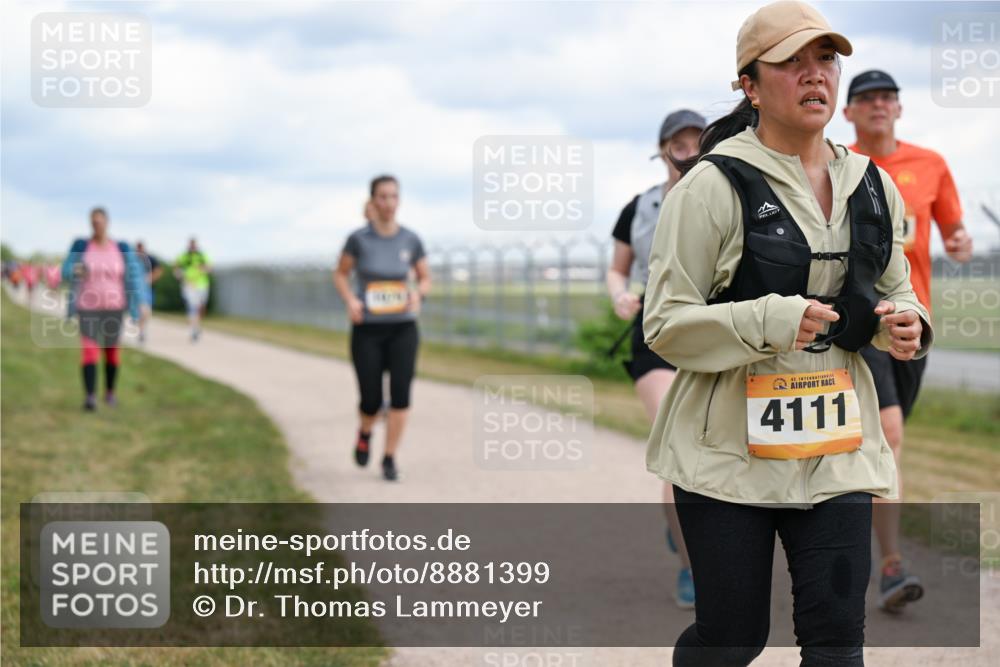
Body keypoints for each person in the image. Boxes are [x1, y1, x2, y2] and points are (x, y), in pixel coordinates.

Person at [642, 2, 932, 665]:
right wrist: (768, 319)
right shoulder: (711, 187)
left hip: (836, 450)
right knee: (733, 638)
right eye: (792, 62)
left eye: (825, 59)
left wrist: (905, 324)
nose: (815, 76)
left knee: (836, 641)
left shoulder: (873, 185)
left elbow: (895, 289)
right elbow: (664, 324)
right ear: (750, 83)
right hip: (726, 458)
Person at [843, 69, 973, 614]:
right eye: (866, 98)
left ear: (899, 108)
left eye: (886, 97)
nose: (878, 105)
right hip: (864, 319)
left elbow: (954, 239)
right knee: (887, 434)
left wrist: (962, 244)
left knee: (877, 443)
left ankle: (829, 527)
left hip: (913, 323)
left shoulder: (931, 165)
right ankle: (891, 565)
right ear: (848, 112)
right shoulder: (838, 165)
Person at [607, 108, 706, 609]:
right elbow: (617, 270)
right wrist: (621, 295)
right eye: (679, 143)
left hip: (710, 337)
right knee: (676, 442)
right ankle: (692, 566)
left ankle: (688, 528)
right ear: (664, 148)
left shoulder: (724, 197)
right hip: (653, 336)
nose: (688, 151)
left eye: (696, 141)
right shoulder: (639, 207)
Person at [333, 176, 431, 481]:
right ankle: (365, 433)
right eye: (383, 197)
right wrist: (351, 300)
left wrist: (418, 293)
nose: (388, 203)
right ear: (372, 200)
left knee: (401, 396)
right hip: (368, 330)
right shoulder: (358, 239)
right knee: (371, 400)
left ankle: (389, 458)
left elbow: (425, 277)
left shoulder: (411, 240)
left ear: (399, 200)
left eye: (393, 196)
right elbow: (340, 274)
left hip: (403, 328)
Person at [61, 207, 144, 411]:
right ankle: (90, 397)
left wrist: (138, 305)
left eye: (100, 221)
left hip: (114, 307)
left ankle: (110, 392)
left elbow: (134, 277)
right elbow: (65, 271)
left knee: (112, 352)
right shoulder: (81, 246)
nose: (97, 225)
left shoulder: (121, 248)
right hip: (87, 306)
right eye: (93, 222)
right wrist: (75, 270)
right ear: (90, 224)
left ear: (107, 222)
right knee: (90, 351)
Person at [174, 238, 212, 342]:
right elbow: (176, 266)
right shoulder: (184, 256)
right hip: (189, 285)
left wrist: (203, 269)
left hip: (202, 284)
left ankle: (197, 325)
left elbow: (209, 267)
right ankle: (193, 330)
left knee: (201, 306)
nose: (192, 247)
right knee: (192, 307)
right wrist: (179, 275)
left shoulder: (202, 256)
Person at [134, 241, 163, 344]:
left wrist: (150, 279)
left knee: (146, 312)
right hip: (135, 290)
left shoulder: (150, 259)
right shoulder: (132, 259)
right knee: (141, 310)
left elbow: (159, 270)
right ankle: (140, 331)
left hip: (147, 290)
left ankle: (141, 330)